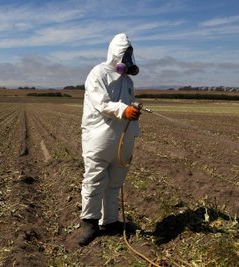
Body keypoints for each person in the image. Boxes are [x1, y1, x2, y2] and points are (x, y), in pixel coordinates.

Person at [78, 33, 141, 246]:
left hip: (122, 140)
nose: (128, 59)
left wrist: (133, 114)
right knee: (95, 180)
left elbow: (128, 103)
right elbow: (102, 103)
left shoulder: (128, 80)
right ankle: (89, 222)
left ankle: (110, 221)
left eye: (130, 54)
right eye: (125, 54)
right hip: (99, 137)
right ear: (116, 53)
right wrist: (125, 110)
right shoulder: (98, 74)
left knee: (115, 183)